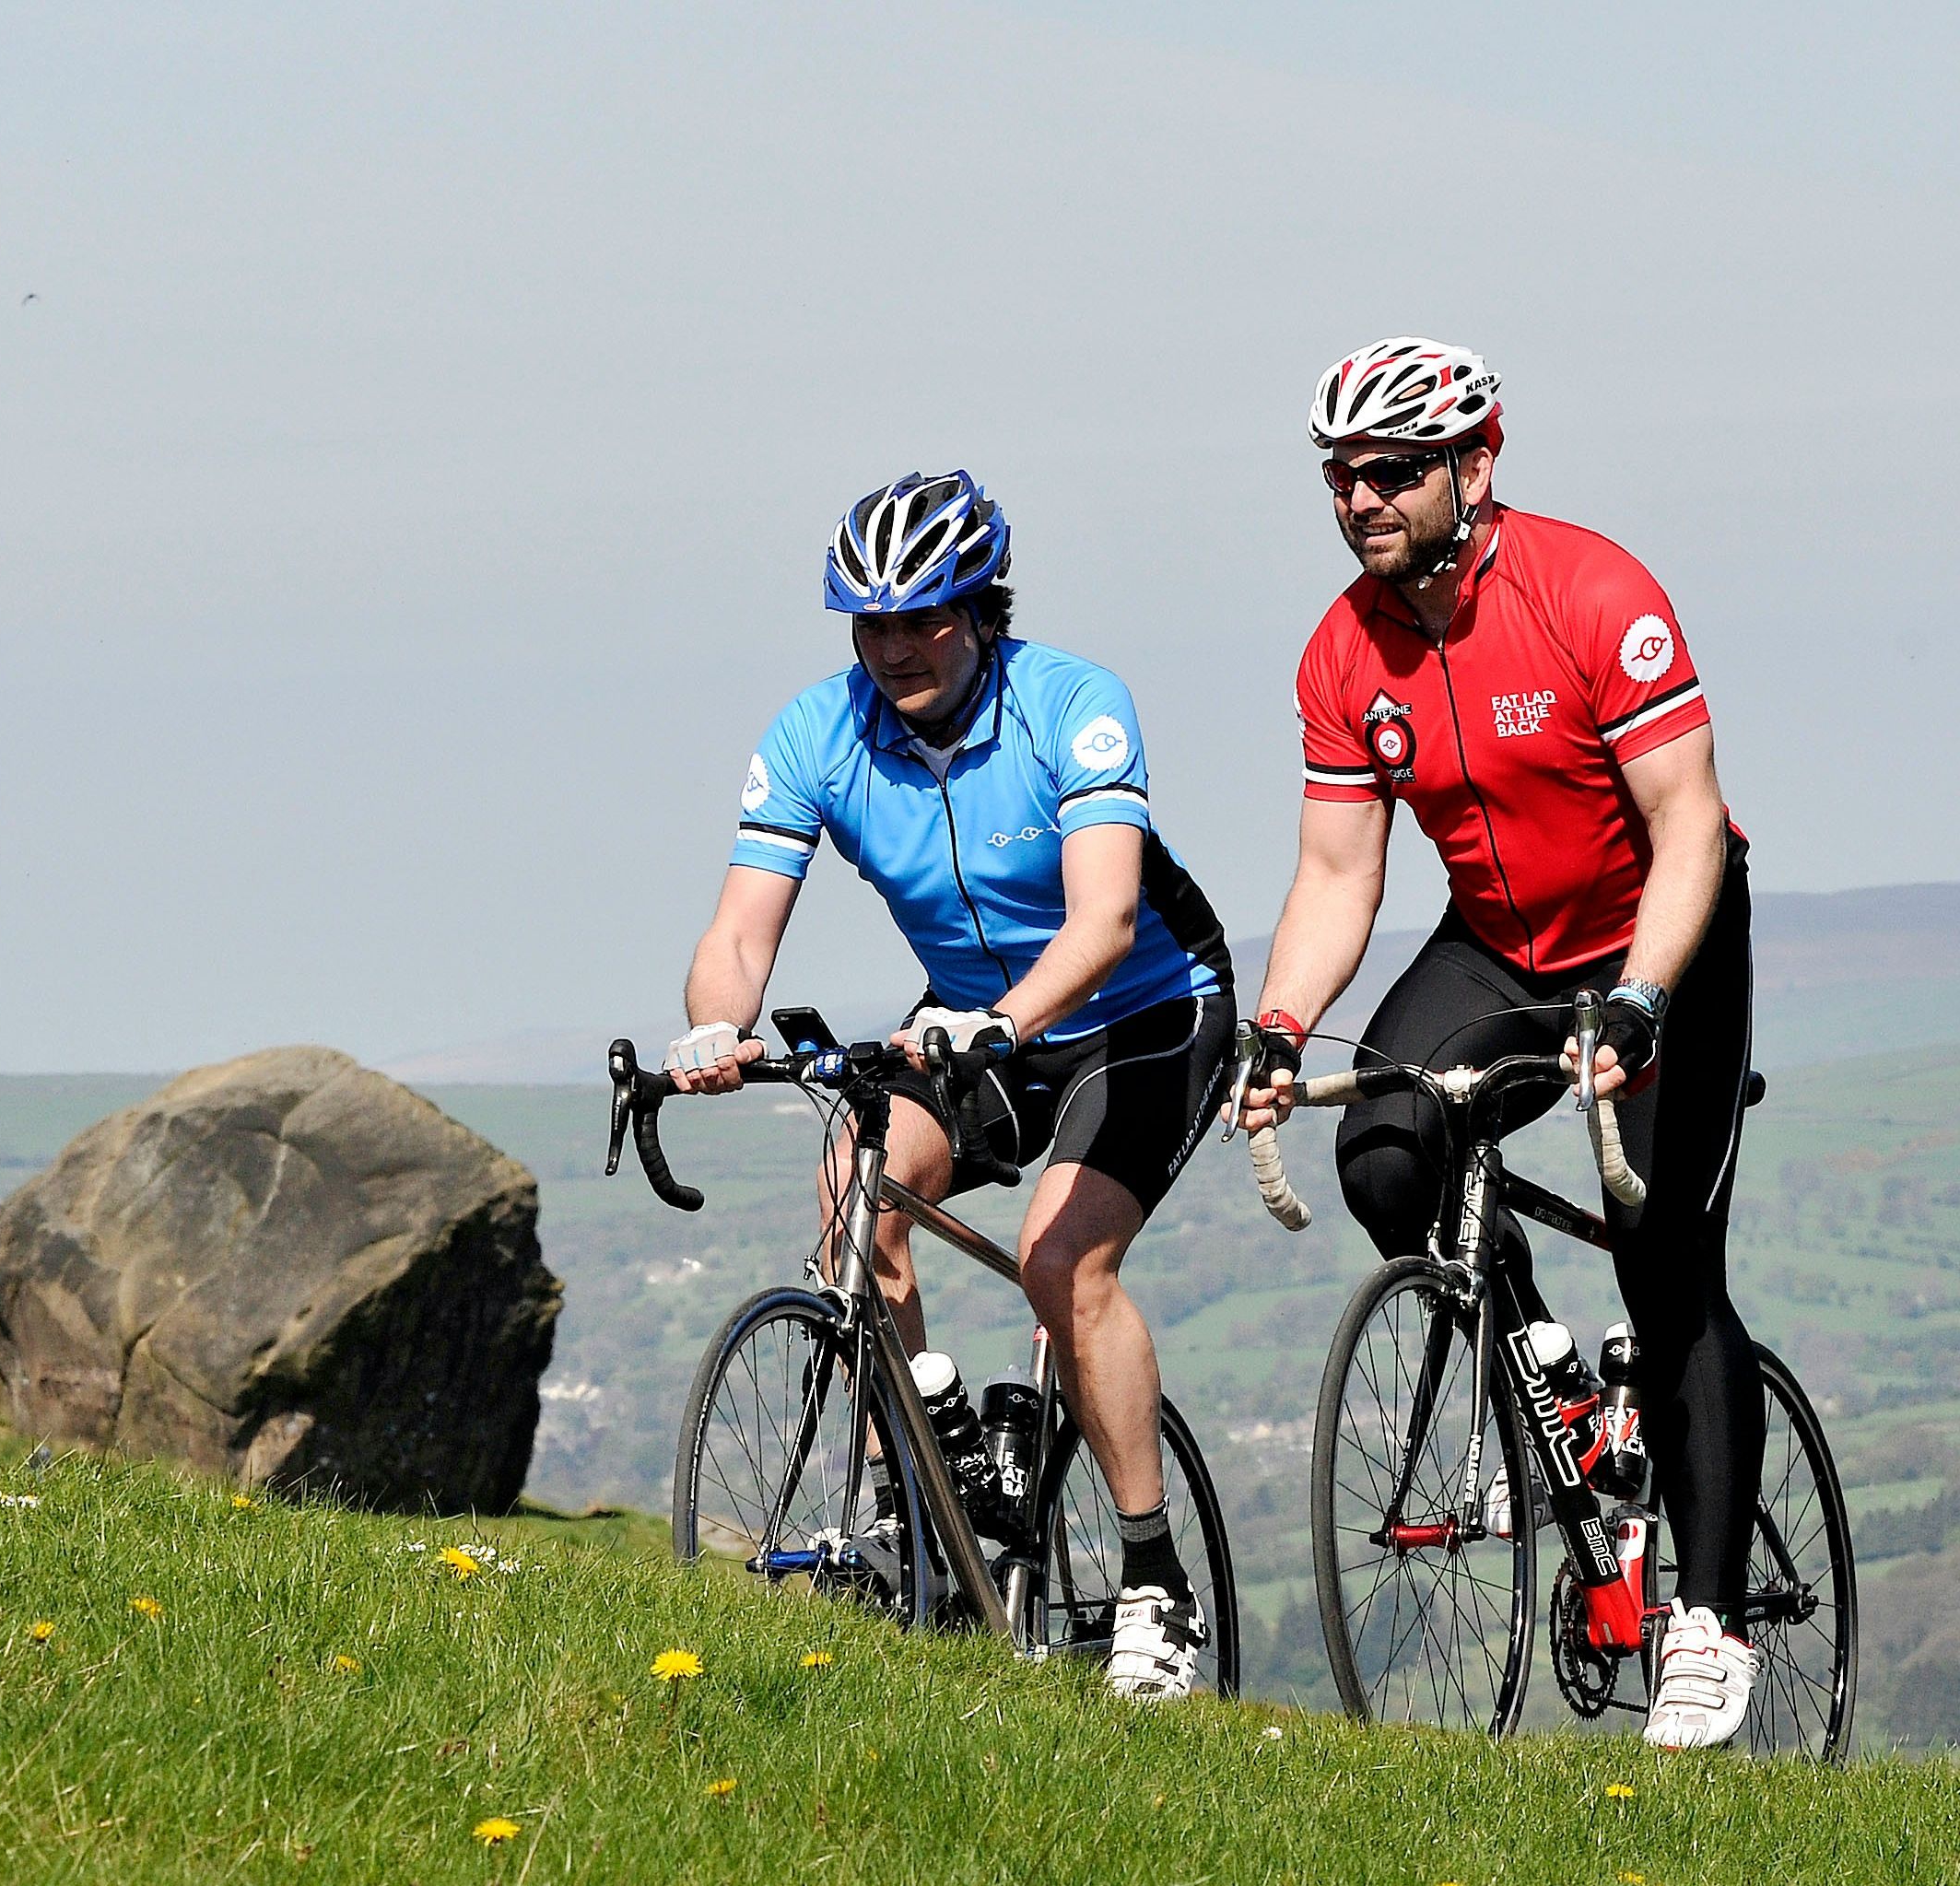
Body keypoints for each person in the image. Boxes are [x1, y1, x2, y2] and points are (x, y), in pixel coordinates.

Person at [1226, 337, 1772, 1749]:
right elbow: (1342, 876)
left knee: (1664, 1259)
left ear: (1476, 465)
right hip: (1500, 944)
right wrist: (1280, 1025)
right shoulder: (1346, 649)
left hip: (1665, 931)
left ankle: (1705, 1625)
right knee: (1391, 1157)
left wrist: (1648, 995)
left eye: (1392, 470)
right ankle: (1552, 1371)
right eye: (1341, 475)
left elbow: (1688, 824)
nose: (1360, 499)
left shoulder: (1593, 590)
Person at [665, 470, 1239, 1701]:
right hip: (974, 1021)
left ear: (980, 609)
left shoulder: (1072, 705)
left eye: (926, 618)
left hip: (1143, 1009)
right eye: (872, 624)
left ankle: (1154, 1584)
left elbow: (1105, 918)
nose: (899, 649)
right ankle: (912, 1514)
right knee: (852, 1195)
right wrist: (718, 1024)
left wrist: (1003, 1023)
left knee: (1060, 1260)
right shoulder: (818, 734)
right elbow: (741, 930)